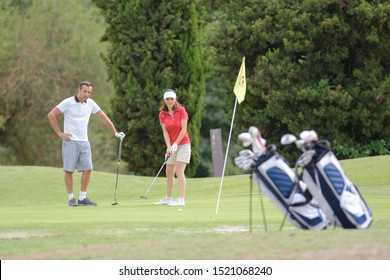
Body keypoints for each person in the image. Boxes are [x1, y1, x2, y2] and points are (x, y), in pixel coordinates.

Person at [47, 81, 125, 207]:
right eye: (85, 91)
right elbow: (51, 115)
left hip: (84, 141)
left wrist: (115, 132)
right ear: (79, 89)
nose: (87, 95)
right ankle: (71, 198)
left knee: (88, 169)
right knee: (69, 170)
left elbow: (104, 117)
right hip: (70, 141)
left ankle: (82, 198)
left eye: (89, 92)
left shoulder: (91, 103)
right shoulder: (68, 102)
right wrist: (60, 133)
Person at [154, 89, 191, 207]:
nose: (170, 101)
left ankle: (181, 199)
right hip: (172, 146)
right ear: (164, 100)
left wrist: (176, 144)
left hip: (183, 144)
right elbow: (165, 132)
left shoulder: (181, 110)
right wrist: (169, 147)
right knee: (169, 172)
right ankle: (168, 198)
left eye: (172, 99)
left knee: (179, 171)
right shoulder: (162, 114)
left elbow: (183, 129)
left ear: (175, 99)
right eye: (167, 99)